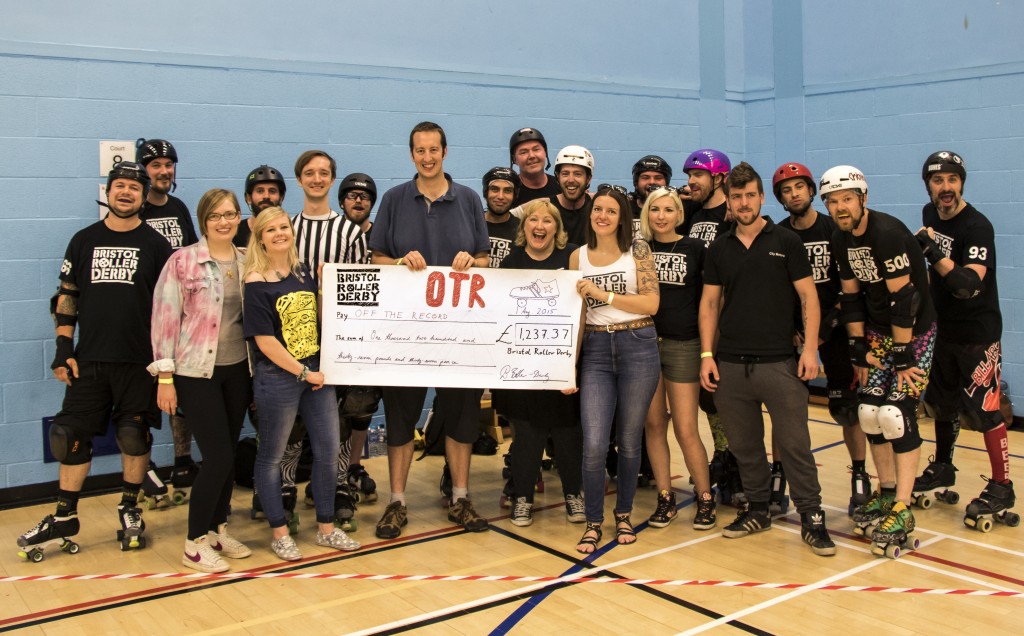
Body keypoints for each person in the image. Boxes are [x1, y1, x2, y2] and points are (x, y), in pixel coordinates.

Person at [17, 162, 172, 557]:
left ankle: (130, 508)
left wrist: (166, 365)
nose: (126, 193)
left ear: (142, 194)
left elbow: (170, 309)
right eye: (119, 186)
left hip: (140, 363)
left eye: (133, 188)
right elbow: (67, 296)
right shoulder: (83, 240)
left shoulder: (156, 246)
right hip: (89, 360)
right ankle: (65, 515)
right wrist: (63, 349)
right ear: (107, 191)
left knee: (134, 436)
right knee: (69, 435)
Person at [699, 162, 835, 556]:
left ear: (761, 197)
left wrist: (810, 349)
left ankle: (812, 517)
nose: (744, 203)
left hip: (780, 364)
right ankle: (758, 508)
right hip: (731, 365)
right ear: (730, 201)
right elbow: (709, 303)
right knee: (745, 446)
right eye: (737, 197)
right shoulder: (720, 247)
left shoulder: (787, 241)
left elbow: (809, 297)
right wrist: (708, 355)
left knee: (794, 446)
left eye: (750, 195)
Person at [368, 121, 491, 538]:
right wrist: (400, 263)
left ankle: (460, 495)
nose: (427, 157)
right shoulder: (394, 199)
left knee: (461, 418)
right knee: (401, 420)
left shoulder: (469, 199)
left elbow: (486, 259)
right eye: (419, 150)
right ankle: (397, 502)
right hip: (406, 334)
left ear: (444, 151)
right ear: (411, 155)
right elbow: (377, 258)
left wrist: (473, 263)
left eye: (433, 149)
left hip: (458, 332)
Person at [823, 165, 936, 551]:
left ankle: (903, 506)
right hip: (876, 333)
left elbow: (906, 301)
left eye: (847, 199)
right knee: (869, 411)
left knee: (895, 413)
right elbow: (852, 298)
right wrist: (857, 349)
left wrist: (904, 356)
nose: (840, 207)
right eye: (833, 201)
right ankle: (887, 492)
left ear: (863, 199)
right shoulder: (840, 238)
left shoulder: (886, 234)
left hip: (914, 332)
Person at [243, 206, 360, 561]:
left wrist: (325, 288)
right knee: (272, 457)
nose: (280, 233)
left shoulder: (303, 270)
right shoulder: (255, 281)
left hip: (315, 374)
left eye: (283, 227)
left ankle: (326, 527)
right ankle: (279, 531)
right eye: (271, 229)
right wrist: (302, 372)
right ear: (260, 238)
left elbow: (318, 320)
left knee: (328, 450)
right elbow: (264, 341)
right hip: (280, 378)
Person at [150, 189, 252, 572]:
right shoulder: (183, 262)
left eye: (230, 214)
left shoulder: (246, 261)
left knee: (226, 454)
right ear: (203, 220)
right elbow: (164, 319)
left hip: (237, 370)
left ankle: (216, 529)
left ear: (239, 217)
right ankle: (193, 544)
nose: (224, 222)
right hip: (196, 373)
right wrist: (164, 377)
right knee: (219, 456)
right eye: (215, 216)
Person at [913, 151, 1014, 528]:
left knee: (983, 411)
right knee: (941, 403)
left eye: (952, 180)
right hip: (943, 329)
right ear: (928, 185)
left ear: (962, 183)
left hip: (977, 332)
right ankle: (942, 466)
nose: (945, 188)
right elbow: (933, 274)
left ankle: (1002, 485)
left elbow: (968, 286)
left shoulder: (977, 227)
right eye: (938, 181)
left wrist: (933, 252)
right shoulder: (929, 215)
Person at [773, 162, 870, 515]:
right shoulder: (780, 234)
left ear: (813, 192)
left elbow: (851, 287)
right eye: (787, 189)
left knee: (847, 408)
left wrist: (825, 329)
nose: (794, 193)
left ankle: (860, 475)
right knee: (785, 410)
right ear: (780, 198)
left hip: (837, 329)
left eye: (800, 187)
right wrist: (793, 329)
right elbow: (779, 291)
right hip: (795, 333)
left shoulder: (833, 229)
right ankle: (778, 476)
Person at [571, 185, 660, 553]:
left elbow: (652, 304)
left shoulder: (637, 250)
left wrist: (604, 295)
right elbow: (574, 315)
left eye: (610, 210)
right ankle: (594, 521)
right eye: (597, 209)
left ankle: (623, 514)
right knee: (593, 443)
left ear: (622, 217)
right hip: (594, 349)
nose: (602, 216)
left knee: (628, 439)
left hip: (637, 344)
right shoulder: (578, 257)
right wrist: (567, 366)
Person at [493, 199, 584, 527]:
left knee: (568, 435)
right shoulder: (511, 262)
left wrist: (571, 364)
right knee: (527, 437)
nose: (540, 226)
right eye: (534, 220)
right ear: (524, 227)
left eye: (548, 221)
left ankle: (574, 493)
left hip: (562, 365)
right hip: (523, 367)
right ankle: (522, 497)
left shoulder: (571, 257)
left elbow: (582, 311)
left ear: (557, 229)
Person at [291, 150, 368, 530]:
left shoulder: (350, 232)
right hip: (294, 341)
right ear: (300, 179)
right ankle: (286, 488)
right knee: (292, 421)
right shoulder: (286, 227)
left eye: (324, 173)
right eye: (310, 173)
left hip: (338, 341)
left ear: (332, 179)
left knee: (336, 420)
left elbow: (364, 292)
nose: (317, 178)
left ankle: (338, 487)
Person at [638, 186, 716, 530]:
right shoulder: (638, 250)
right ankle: (666, 498)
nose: (661, 216)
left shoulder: (695, 248)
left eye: (669, 210)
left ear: (678, 214)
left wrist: (706, 349)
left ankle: (704, 498)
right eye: (656, 210)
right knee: (654, 426)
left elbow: (709, 303)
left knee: (686, 428)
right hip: (644, 344)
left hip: (684, 345)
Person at [135, 138, 200, 493]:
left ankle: (182, 460)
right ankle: (141, 467)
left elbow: (191, 253)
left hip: (180, 314)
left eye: (168, 164)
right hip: (144, 313)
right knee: (142, 397)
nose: (163, 170)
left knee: (180, 391)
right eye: (155, 165)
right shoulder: (134, 210)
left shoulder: (177, 207)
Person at [680, 148, 743, 504]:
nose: (691, 181)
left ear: (719, 178)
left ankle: (736, 462)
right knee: (707, 397)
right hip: (694, 314)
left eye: (699, 175)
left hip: (725, 314)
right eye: (690, 174)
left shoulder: (731, 214)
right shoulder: (690, 211)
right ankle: (723, 454)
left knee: (725, 397)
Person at [337, 172, 382, 504]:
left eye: (364, 197)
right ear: (342, 201)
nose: (358, 200)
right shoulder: (331, 235)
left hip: (373, 334)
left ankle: (353, 466)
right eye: (352, 195)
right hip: (339, 334)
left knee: (362, 407)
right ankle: (335, 472)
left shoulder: (381, 236)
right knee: (336, 408)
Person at [550, 145, 595, 246]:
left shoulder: (597, 207)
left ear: (588, 178)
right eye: (565, 174)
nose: (571, 180)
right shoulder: (546, 206)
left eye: (577, 174)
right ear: (558, 177)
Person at [236, 164, 287, 248]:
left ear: (281, 198)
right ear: (248, 198)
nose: (266, 196)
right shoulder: (235, 232)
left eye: (272, 191)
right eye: (260, 191)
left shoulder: (289, 232)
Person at [509, 127, 560, 207]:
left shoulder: (561, 187)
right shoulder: (508, 191)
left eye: (536, 149)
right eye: (523, 152)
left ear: (545, 153)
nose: (531, 156)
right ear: (514, 159)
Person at [483, 166, 521, 269]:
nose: (500, 196)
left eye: (507, 191)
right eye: (494, 189)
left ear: (515, 195)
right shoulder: (471, 225)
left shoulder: (522, 229)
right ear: (486, 192)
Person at [629, 155, 672, 236]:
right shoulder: (625, 207)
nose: (652, 182)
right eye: (645, 178)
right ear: (636, 183)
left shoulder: (678, 208)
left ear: (667, 183)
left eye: (658, 178)